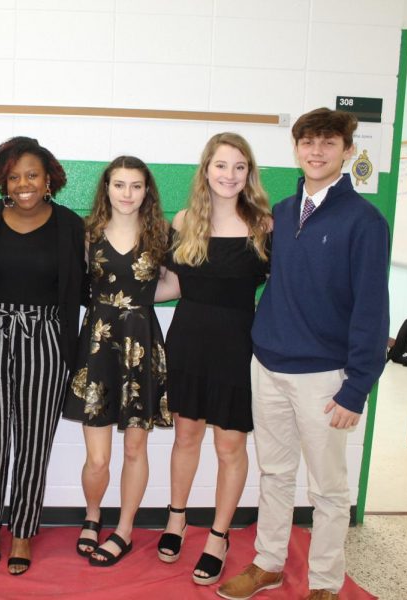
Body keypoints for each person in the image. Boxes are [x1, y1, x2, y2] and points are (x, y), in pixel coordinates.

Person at [218, 108, 390, 600]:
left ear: (348, 151)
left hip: (325, 378)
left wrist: (356, 387)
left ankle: (325, 584)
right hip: (268, 365)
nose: (316, 151)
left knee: (328, 490)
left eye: (328, 143)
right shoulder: (285, 211)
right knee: (274, 473)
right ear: (296, 148)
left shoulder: (364, 222)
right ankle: (269, 563)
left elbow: (372, 311)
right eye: (308, 142)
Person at [154, 133, 272, 585]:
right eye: (221, 166)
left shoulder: (264, 225)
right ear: (206, 170)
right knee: (186, 436)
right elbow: (174, 286)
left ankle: (218, 537)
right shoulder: (184, 221)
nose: (229, 175)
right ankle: (176, 519)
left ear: (249, 173)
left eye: (239, 167)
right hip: (188, 341)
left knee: (229, 446)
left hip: (238, 346)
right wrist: (116, 297)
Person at [0, 136, 86, 575]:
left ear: (49, 178)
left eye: (32, 174)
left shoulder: (70, 226)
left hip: (47, 339)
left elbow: (83, 287)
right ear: (3, 179)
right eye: (14, 176)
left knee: (35, 440)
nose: (23, 184)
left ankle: (22, 530)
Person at [63, 155, 172, 567]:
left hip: (141, 344)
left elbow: (173, 285)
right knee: (98, 457)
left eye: (136, 186)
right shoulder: (88, 233)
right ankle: (92, 517)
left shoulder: (161, 233)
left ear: (147, 191)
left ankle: (124, 529)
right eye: (119, 185)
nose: (127, 194)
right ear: (106, 188)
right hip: (97, 344)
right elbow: (77, 284)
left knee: (135, 448)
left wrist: (134, 302)